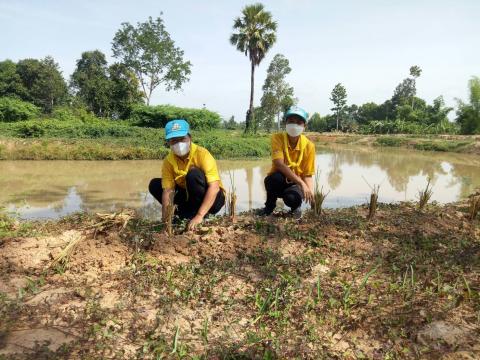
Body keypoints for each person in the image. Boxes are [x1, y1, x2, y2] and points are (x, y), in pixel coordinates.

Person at [148, 119, 225, 231]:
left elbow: (214, 187)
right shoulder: (168, 161)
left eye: (182, 139)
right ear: (168, 142)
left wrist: (199, 216)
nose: (178, 144)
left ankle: (201, 214)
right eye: (174, 140)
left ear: (190, 138)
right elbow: (168, 191)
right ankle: (183, 214)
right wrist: (165, 220)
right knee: (155, 184)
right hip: (188, 197)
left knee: (193, 174)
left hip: (212, 198)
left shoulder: (202, 154)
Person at [258, 106, 315, 217]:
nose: (294, 125)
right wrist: (301, 183)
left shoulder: (309, 146)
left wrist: (310, 193)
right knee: (273, 179)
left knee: (292, 198)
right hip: (281, 178)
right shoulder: (277, 138)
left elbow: (307, 174)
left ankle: (296, 208)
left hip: (296, 184)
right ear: (286, 123)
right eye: (291, 121)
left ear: (304, 126)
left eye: (299, 122)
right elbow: (279, 164)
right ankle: (269, 207)